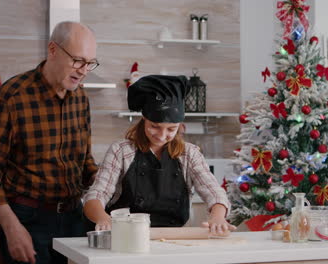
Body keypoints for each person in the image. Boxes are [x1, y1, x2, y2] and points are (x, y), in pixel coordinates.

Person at [0, 21, 99, 264]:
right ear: (53, 50)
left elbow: (85, 163)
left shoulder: (81, 99)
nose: (84, 70)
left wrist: (111, 183)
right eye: (78, 60)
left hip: (74, 220)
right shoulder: (14, 96)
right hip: (27, 221)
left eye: (90, 63)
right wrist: (12, 228)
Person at [83, 75, 235, 235]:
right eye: (155, 126)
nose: (162, 136)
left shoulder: (190, 154)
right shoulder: (120, 151)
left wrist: (218, 216)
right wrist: (103, 218)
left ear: (180, 126)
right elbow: (97, 193)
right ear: (144, 120)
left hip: (173, 237)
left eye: (171, 129)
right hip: (126, 235)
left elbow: (214, 192)